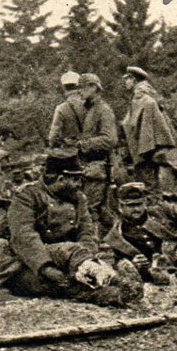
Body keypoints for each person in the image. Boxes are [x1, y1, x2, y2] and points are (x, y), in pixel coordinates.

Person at [0, 148, 143, 307]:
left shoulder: (78, 198)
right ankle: (117, 280)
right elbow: (24, 237)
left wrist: (85, 257)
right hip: (28, 263)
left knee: (73, 277)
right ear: (60, 179)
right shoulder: (27, 196)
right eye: (75, 180)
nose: (79, 185)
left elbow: (87, 232)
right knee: (59, 280)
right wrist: (47, 268)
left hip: (74, 261)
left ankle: (119, 295)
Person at [120, 65, 177, 195]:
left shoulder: (144, 100)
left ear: (134, 80)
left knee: (149, 189)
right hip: (147, 153)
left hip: (147, 154)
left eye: (127, 79)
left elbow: (140, 127)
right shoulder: (143, 98)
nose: (125, 82)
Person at [75, 73, 119, 232]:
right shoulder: (89, 110)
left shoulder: (103, 110)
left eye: (82, 88)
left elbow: (110, 140)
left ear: (93, 87)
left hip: (98, 168)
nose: (79, 91)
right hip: (90, 169)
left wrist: (82, 145)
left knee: (89, 211)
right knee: (100, 212)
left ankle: (93, 247)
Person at [47, 71, 85, 149]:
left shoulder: (61, 109)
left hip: (72, 153)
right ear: (78, 86)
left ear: (64, 88)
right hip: (92, 152)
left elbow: (53, 137)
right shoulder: (91, 105)